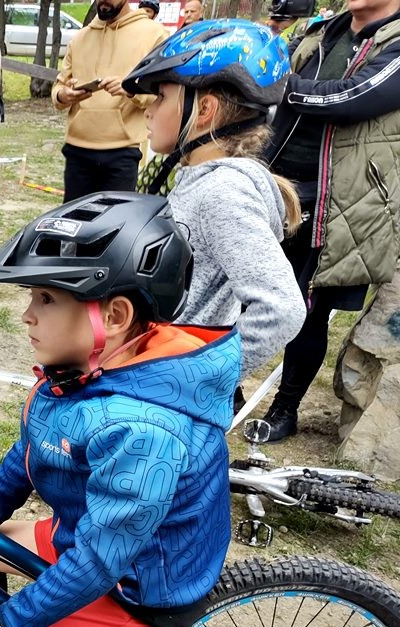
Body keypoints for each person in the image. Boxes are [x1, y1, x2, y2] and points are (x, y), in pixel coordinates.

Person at [0, 192, 240, 627]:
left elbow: (100, 564)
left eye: (47, 298)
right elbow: (29, 450)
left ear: (117, 316)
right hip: (105, 545)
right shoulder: (80, 373)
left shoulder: (142, 430)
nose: (27, 314)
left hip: (139, 593)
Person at [260, 0, 400, 442]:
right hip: (273, 181)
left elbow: (352, 98)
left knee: (309, 310)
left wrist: (282, 85)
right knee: (239, 292)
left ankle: (284, 408)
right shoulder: (320, 32)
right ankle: (225, 391)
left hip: (341, 199)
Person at [124, 19, 306, 393]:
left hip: (168, 396)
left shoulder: (222, 192)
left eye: (161, 96)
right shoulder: (197, 178)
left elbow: (282, 308)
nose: (149, 110)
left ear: (204, 108)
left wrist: (198, 381)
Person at [50, 0, 168, 202]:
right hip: (77, 151)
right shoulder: (80, 38)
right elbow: (59, 87)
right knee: (75, 221)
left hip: (122, 153)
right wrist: (63, 95)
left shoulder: (154, 35)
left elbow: (164, 93)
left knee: (116, 221)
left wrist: (131, 89)